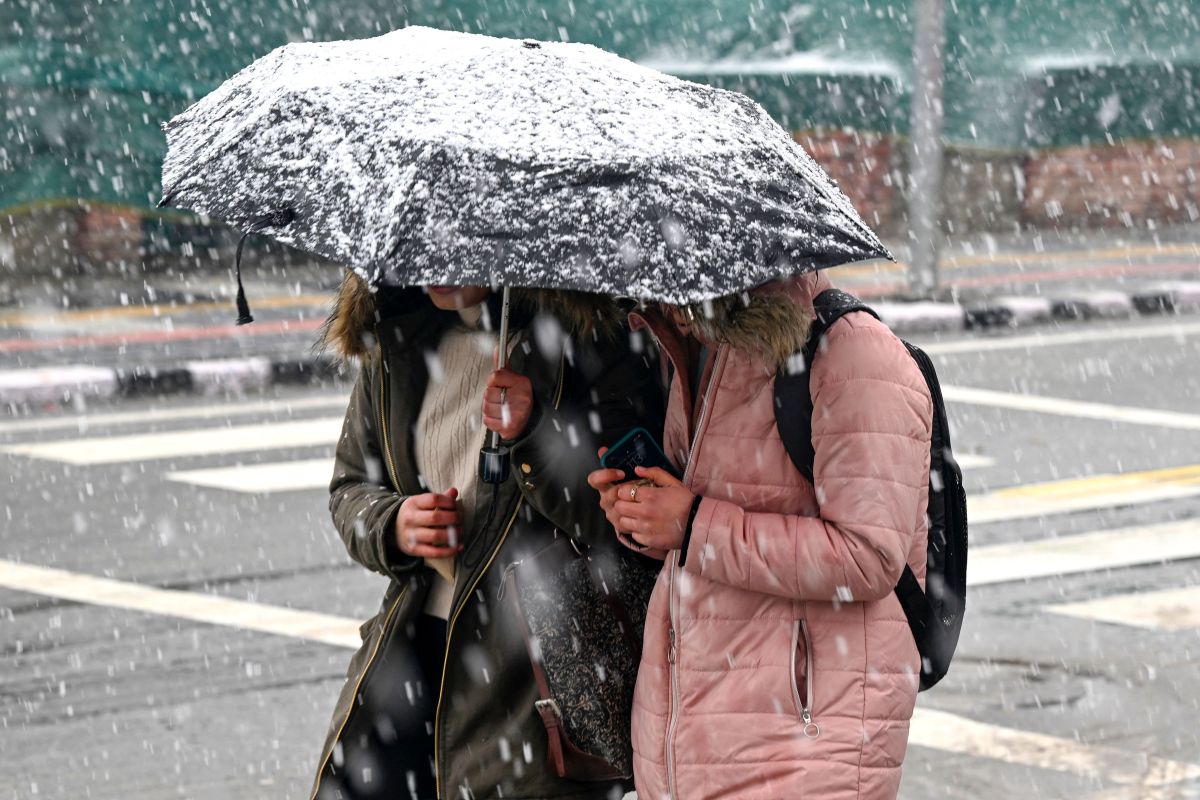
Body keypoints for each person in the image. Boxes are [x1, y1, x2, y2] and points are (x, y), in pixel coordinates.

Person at [313, 272, 662, 800]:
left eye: (450, 245)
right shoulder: (397, 341)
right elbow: (350, 486)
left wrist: (536, 433)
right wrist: (395, 524)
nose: (433, 266)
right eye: (423, 249)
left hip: (535, 667)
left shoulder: (589, 339)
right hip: (410, 653)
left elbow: (628, 515)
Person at [588, 270, 933, 799]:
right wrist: (648, 518)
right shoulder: (699, 345)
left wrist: (693, 524)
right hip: (692, 735)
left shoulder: (854, 354)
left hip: (806, 742)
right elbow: (699, 526)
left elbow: (868, 556)